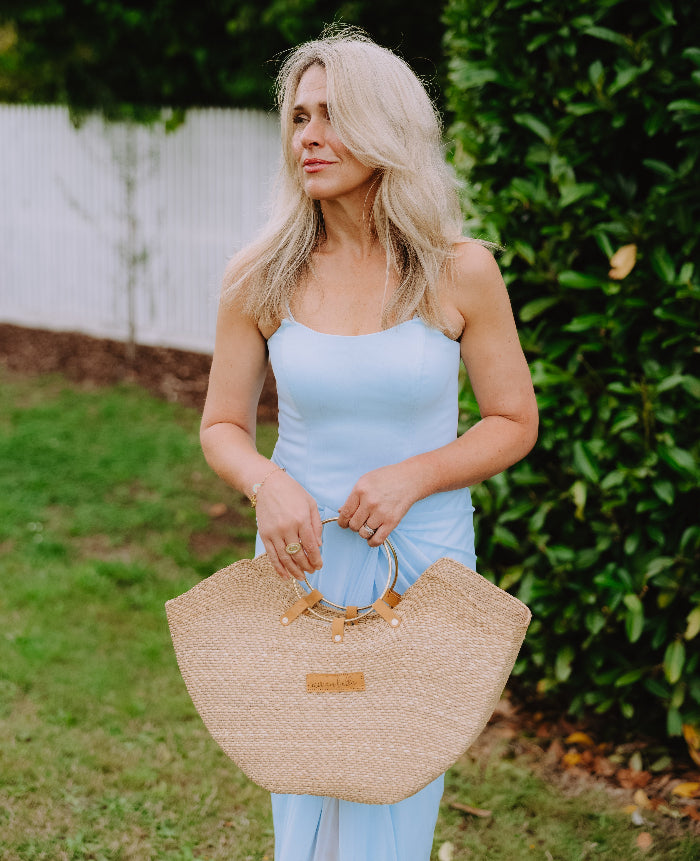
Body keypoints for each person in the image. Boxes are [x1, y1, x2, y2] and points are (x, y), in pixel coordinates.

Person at [199, 27, 538, 861]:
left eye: (331, 116)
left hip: (420, 558)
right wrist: (263, 484)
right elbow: (221, 425)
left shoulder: (460, 270)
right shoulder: (259, 275)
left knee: (395, 787)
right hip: (300, 558)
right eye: (298, 117)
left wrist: (410, 478)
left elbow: (513, 420)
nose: (307, 136)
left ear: (386, 129)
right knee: (306, 783)